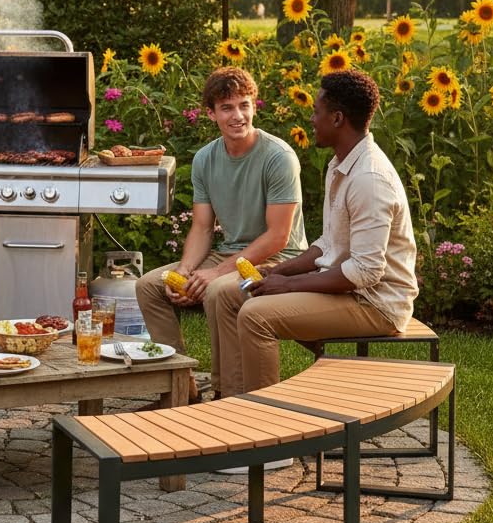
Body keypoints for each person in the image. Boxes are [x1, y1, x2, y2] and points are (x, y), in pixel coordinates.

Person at [227, 68, 418, 394]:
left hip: (376, 304)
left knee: (256, 316)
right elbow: (329, 243)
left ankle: (262, 427)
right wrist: (278, 270)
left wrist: (287, 285)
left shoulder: (368, 179)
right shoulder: (340, 163)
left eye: (317, 112)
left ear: (338, 118)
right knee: (233, 292)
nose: (312, 119)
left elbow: (366, 272)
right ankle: (229, 397)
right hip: (349, 290)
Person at [136, 66, 307, 401]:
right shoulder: (205, 159)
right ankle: (179, 391)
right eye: (227, 108)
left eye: (244, 105)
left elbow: (278, 237)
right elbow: (201, 226)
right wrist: (185, 271)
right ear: (211, 113)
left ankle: (228, 397)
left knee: (217, 291)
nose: (238, 116)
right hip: (230, 254)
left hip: (278, 260)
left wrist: (214, 273)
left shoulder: (278, 157)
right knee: (149, 286)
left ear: (254, 106)